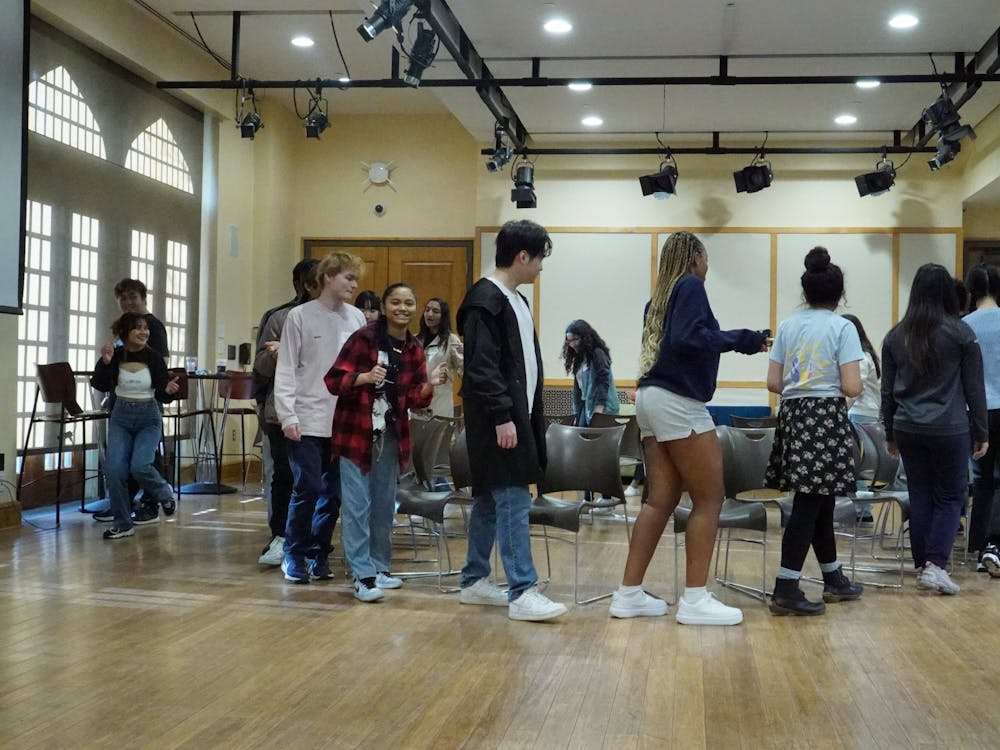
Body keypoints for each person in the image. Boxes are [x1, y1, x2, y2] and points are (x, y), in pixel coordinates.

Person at [609, 231, 768, 624]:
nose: (707, 266)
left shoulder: (659, 298)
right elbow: (690, 338)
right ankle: (695, 599)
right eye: (707, 257)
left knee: (659, 500)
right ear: (695, 256)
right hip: (678, 401)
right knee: (709, 498)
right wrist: (744, 339)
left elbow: (676, 340)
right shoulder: (691, 285)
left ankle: (628, 594)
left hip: (649, 398)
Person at [455, 219, 568, 622]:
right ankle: (522, 589)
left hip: (514, 417)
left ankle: (472, 580)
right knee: (514, 497)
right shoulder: (486, 300)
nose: (540, 267)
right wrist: (503, 417)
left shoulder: (513, 299)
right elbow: (482, 368)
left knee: (489, 499)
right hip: (497, 422)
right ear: (522, 256)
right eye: (539, 259)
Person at [325, 283, 447, 602]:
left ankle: (380, 567)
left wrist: (429, 385)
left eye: (408, 303)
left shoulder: (413, 348)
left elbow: (413, 399)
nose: (402, 308)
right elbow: (333, 380)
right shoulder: (364, 338)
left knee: (382, 506)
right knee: (356, 506)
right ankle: (362, 575)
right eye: (395, 302)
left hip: (391, 436)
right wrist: (363, 378)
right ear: (385, 305)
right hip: (355, 434)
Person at [765, 248, 864, 616]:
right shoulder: (843, 327)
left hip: (792, 414)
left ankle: (833, 577)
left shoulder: (789, 325)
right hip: (825, 415)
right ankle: (786, 586)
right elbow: (853, 387)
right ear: (839, 295)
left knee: (820, 498)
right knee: (809, 501)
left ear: (805, 292)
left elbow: (773, 382)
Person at [882, 262, 988, 595]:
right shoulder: (961, 333)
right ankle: (936, 565)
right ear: (947, 292)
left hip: (907, 427)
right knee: (951, 496)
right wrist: (982, 431)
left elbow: (887, 390)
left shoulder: (895, 335)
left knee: (921, 494)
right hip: (950, 427)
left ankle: (922, 563)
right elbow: (975, 389)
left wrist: (889, 432)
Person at [273, 252, 367, 583]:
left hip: (343, 422)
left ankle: (319, 554)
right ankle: (293, 553)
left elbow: (361, 370)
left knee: (334, 494)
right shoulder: (299, 317)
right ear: (328, 277)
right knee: (308, 487)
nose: (354, 285)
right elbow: (285, 369)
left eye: (356, 279)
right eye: (348, 278)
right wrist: (288, 416)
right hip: (306, 417)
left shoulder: (356, 318)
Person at [252, 257, 320, 566]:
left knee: (317, 480)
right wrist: (277, 354)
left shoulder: (339, 318)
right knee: (284, 474)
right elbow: (260, 369)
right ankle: (280, 536)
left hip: (321, 409)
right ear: (303, 285)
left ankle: (313, 541)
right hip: (282, 410)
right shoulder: (279, 317)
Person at [90, 312, 180, 538]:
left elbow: (161, 390)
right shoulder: (117, 354)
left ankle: (164, 493)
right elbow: (99, 383)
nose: (144, 332)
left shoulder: (154, 358)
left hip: (148, 417)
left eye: (145, 328)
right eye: (137, 328)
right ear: (124, 333)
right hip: (120, 416)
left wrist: (167, 391)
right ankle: (123, 523)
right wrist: (105, 362)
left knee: (140, 466)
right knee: (114, 469)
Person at [961, 263, 1000, 575]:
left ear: (971, 290)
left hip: (977, 411)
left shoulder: (964, 326)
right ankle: (994, 544)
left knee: (982, 480)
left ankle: (976, 545)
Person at [842, 313, 882, 523]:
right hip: (864, 415)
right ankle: (860, 510)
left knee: (855, 465)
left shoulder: (860, 357)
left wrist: (839, 414)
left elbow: (855, 391)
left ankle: (862, 511)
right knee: (857, 466)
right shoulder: (866, 355)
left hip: (860, 416)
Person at [562, 319, 619, 427]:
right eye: (569, 341)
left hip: (603, 406)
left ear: (585, 337)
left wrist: (599, 407)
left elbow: (603, 381)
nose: (572, 344)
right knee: (581, 437)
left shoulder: (598, 353)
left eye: (575, 340)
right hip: (586, 405)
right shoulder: (579, 358)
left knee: (595, 440)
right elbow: (579, 389)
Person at [417, 297, 464, 419]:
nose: (430, 314)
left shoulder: (451, 340)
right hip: (417, 405)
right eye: (427, 310)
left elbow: (464, 371)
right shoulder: (415, 339)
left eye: (435, 311)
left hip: (439, 404)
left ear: (443, 316)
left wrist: (469, 355)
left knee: (440, 437)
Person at [114, 278, 169, 361]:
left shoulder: (153, 325)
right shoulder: (125, 325)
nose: (128, 302)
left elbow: (162, 361)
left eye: (133, 297)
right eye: (123, 298)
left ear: (143, 299)